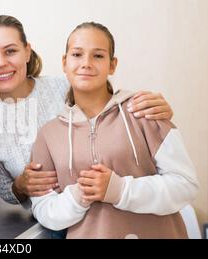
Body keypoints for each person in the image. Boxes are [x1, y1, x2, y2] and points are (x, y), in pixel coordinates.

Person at [0, 15, 174, 238]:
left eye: (10, 51)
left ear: (27, 51)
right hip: (54, 223)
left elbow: (117, 115)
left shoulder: (67, 84)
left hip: (117, 211)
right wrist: (20, 186)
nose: (0, 63)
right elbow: (6, 192)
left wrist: (152, 109)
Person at [30, 22, 199, 238]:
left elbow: (186, 185)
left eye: (98, 56)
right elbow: (43, 209)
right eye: (77, 54)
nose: (86, 63)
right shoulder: (48, 134)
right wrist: (78, 196)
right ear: (65, 62)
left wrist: (120, 190)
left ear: (112, 64)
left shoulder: (144, 111)